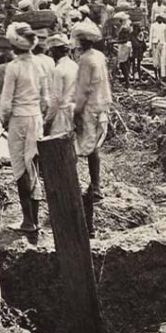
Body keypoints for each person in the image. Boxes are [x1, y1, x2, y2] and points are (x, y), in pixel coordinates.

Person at [0, 24, 49, 235]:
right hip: (36, 117)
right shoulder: (40, 65)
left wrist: (4, 120)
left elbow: (6, 102)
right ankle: (34, 218)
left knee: (21, 168)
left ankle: (28, 220)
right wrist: (41, 115)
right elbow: (46, 99)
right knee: (33, 166)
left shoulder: (14, 67)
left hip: (19, 119)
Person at [72, 22, 112, 200]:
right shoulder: (100, 56)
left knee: (84, 145)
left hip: (90, 106)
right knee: (94, 146)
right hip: (102, 103)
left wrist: (76, 110)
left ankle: (91, 185)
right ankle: (95, 184)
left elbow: (83, 89)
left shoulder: (85, 60)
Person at [44, 33, 78, 135]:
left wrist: (48, 120)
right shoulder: (74, 65)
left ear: (55, 51)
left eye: (52, 51)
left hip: (62, 115)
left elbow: (56, 99)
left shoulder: (58, 70)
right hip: (74, 111)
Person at [149, 15, 166, 82]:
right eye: (158, 18)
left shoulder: (165, 26)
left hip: (162, 44)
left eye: (161, 18)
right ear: (156, 19)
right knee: (155, 61)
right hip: (155, 43)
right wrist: (150, 47)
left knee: (162, 60)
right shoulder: (153, 25)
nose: (159, 19)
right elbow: (150, 36)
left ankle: (161, 76)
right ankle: (156, 76)